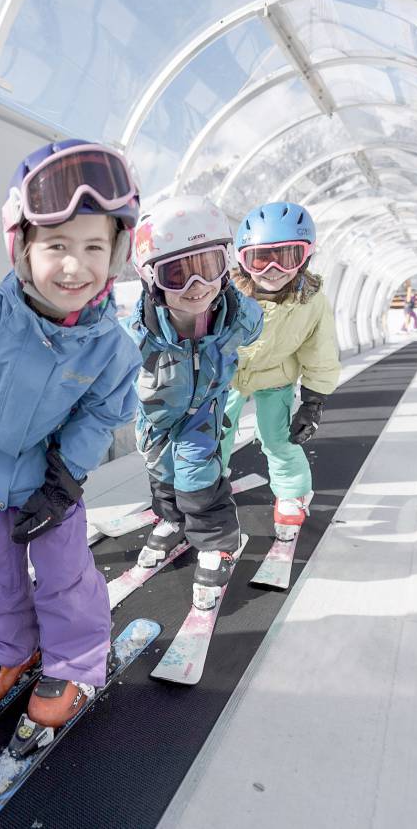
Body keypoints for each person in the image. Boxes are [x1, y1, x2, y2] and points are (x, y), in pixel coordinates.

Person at [0, 140, 141, 740]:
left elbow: (98, 415)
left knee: (65, 573)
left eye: (95, 247)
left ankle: (77, 661)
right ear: (23, 248)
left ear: (116, 254)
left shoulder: (111, 348)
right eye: (57, 246)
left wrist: (65, 481)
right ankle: (9, 647)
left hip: (48, 486)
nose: (75, 266)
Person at [126, 195, 262, 610]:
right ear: (150, 279)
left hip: (202, 408)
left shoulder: (238, 316)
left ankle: (217, 541)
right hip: (154, 415)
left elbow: (254, 330)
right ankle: (170, 518)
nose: (196, 286)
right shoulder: (137, 334)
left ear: (227, 266)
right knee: (159, 468)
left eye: (208, 267)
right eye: (177, 274)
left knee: (197, 474)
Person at [220, 201, 340, 545]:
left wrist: (313, 402)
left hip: (277, 376)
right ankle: (208, 487)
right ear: (242, 260)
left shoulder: (310, 301)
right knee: (214, 436)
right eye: (260, 258)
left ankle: (292, 493)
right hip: (229, 374)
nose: (272, 269)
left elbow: (320, 350)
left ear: (305, 258)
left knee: (278, 437)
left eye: (286, 257)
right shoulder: (228, 294)